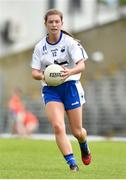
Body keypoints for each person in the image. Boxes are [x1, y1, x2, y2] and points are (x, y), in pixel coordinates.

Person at [31, 9, 91, 172]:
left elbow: (81, 65)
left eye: (57, 21)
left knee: (77, 132)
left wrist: (69, 72)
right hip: (51, 90)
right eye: (50, 22)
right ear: (45, 24)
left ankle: (84, 146)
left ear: (61, 23)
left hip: (70, 87)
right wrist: (44, 75)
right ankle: (72, 164)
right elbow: (34, 72)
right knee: (58, 126)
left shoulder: (70, 42)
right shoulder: (39, 47)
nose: (54, 24)